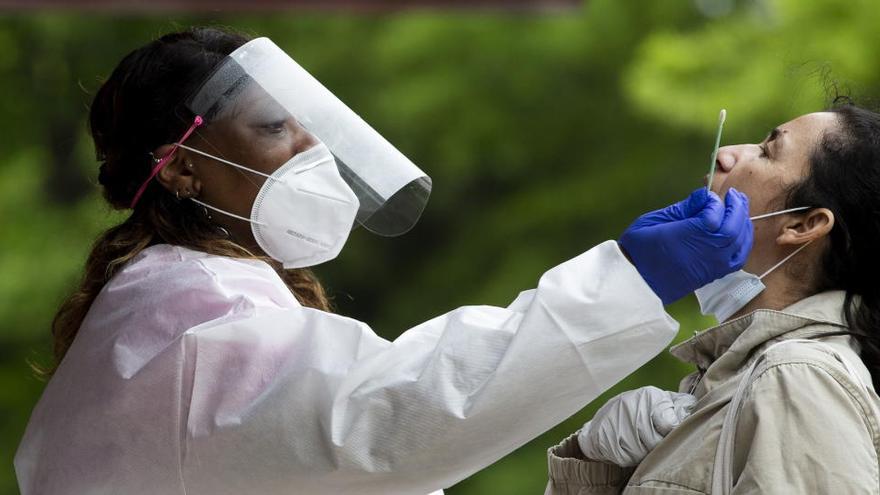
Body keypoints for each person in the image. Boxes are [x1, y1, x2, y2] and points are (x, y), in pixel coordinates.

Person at [15, 28, 753, 495]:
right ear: (180, 168)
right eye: (276, 129)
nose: (315, 155)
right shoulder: (193, 321)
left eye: (315, 130)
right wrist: (627, 279)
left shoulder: (158, 305)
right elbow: (395, 417)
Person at [546, 103, 880, 494]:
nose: (725, 155)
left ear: (803, 225)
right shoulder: (742, 376)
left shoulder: (797, 376)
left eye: (767, 151)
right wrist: (596, 466)